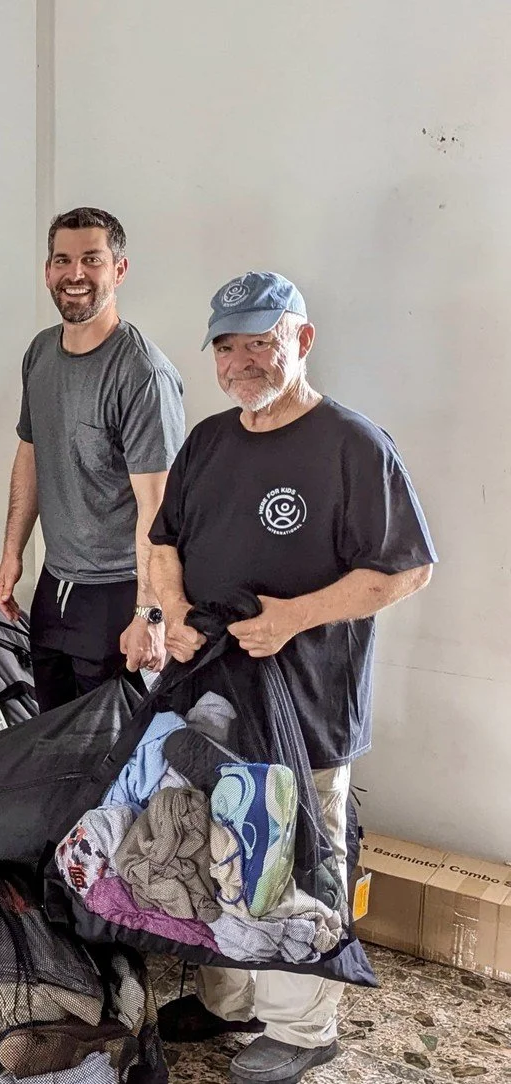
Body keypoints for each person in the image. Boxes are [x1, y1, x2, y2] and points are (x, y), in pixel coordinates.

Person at [150, 272, 436, 1084]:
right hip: (211, 697)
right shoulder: (207, 441)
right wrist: (169, 608)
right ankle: (230, 998)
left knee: (293, 860)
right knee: (217, 850)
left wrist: (294, 617)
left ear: (301, 341)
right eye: (227, 346)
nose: (242, 361)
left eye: (259, 342)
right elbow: (164, 538)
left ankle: (304, 1026)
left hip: (307, 706)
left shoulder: (352, 445)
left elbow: (404, 572)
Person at [0, 208, 186, 710]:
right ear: (47, 271)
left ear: (119, 270)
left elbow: (158, 509)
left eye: (91, 260)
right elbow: (31, 454)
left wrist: (150, 613)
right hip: (56, 586)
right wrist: (13, 552)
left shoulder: (142, 373)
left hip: (119, 593)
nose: (74, 274)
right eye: (63, 260)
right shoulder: (39, 354)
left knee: (109, 752)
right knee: (53, 731)